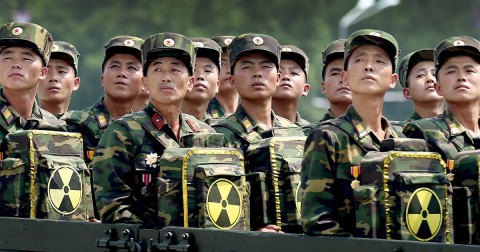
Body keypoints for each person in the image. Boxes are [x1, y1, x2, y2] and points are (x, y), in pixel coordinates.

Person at [92, 32, 215, 228]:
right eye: (157, 70)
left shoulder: (207, 135)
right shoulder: (123, 132)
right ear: (145, 82)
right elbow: (113, 205)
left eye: (175, 70)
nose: (166, 77)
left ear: (190, 82)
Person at [301, 29, 402, 236]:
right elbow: (318, 222)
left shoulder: (403, 142)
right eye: (359, 59)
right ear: (345, 77)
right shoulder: (328, 137)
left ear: (393, 80)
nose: (368, 66)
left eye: (379, 61)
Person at [213, 33, 302, 233]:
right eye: (247, 66)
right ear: (232, 79)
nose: (257, 73)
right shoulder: (219, 137)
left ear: (278, 78)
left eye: (266, 66)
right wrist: (252, 234)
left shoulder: (296, 135)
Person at [64, 35, 144, 221]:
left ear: (145, 82)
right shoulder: (75, 126)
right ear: (102, 79)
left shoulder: (146, 132)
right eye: (114, 66)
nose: (121, 73)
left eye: (131, 67)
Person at [403, 36, 480, 160]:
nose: (461, 77)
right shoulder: (423, 132)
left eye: (469, 70)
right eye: (451, 71)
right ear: (438, 87)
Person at [0, 21, 59, 144]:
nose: (15, 64)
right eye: (7, 58)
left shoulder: (54, 127)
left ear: (43, 72)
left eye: (26, 58)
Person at [394, 49, 444, 126]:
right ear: (407, 93)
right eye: (420, 75)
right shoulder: (400, 133)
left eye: (435, 74)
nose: (430, 79)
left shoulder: (465, 130)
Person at [37, 41, 80, 118]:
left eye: (61, 71)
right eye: (46, 72)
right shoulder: (20, 124)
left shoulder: (86, 126)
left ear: (75, 83)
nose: (53, 78)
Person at [182, 37, 221, 121]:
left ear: (218, 84)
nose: (200, 76)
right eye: (193, 70)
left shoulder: (223, 130)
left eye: (207, 70)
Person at [271, 44, 310, 127]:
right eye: (279, 72)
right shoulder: (258, 128)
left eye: (294, 73)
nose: (286, 77)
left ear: (305, 89)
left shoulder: (311, 132)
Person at [319, 39, 351, 122]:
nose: (343, 79)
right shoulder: (309, 134)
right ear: (323, 87)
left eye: (350, 73)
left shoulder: (383, 132)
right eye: (335, 74)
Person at [208, 35, 238, 118]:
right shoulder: (200, 113)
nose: (229, 70)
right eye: (222, 64)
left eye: (234, 63)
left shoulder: (253, 111)